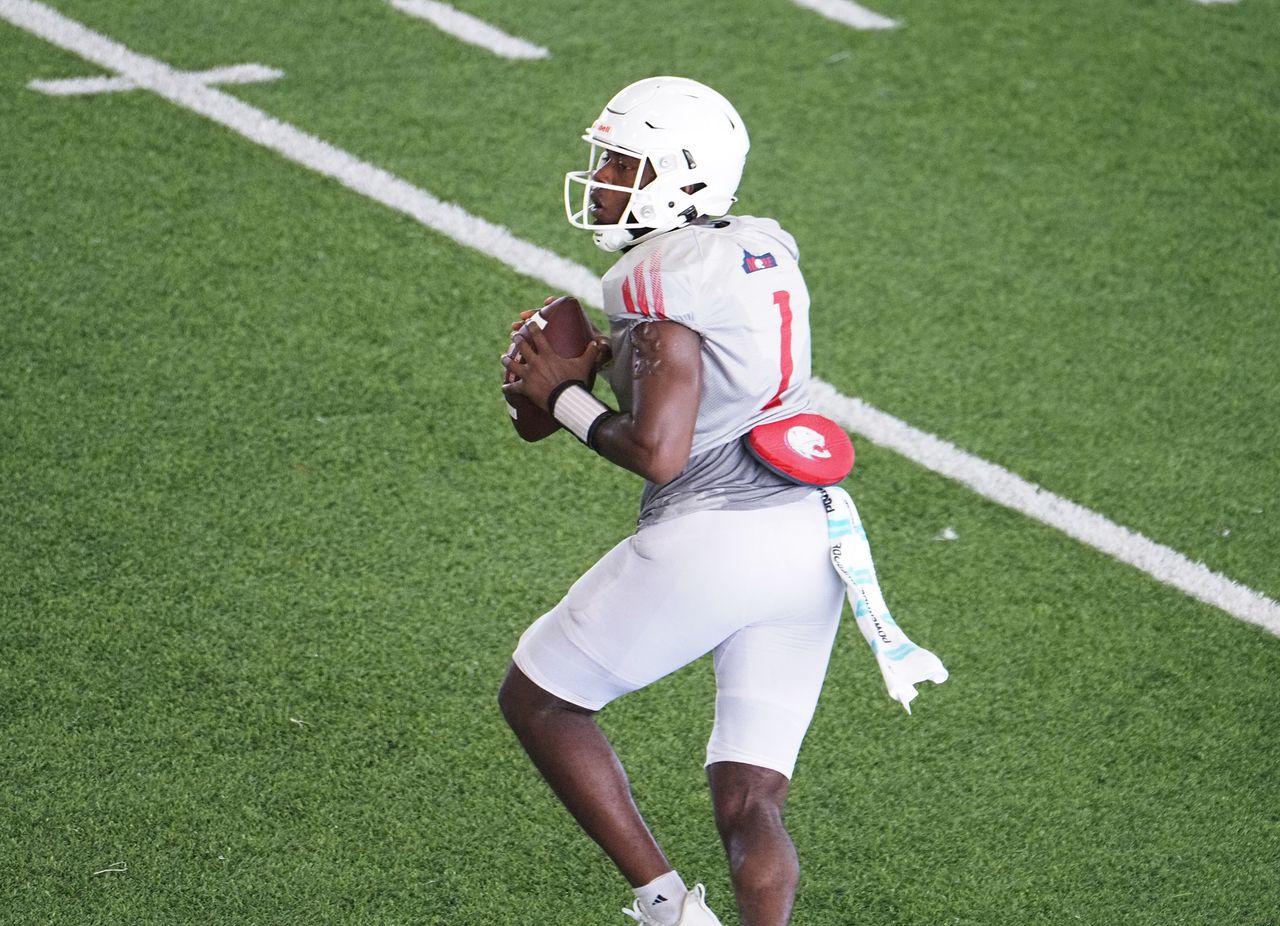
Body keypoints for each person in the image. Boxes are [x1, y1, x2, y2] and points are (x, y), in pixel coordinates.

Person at [498, 76, 848, 926]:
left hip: (716, 536)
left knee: (539, 699)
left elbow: (660, 451)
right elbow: (705, 359)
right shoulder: (760, 246)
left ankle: (666, 909)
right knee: (752, 797)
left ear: (683, 177)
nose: (606, 181)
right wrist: (609, 356)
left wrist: (563, 398)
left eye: (624, 165)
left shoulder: (658, 278)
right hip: (813, 536)